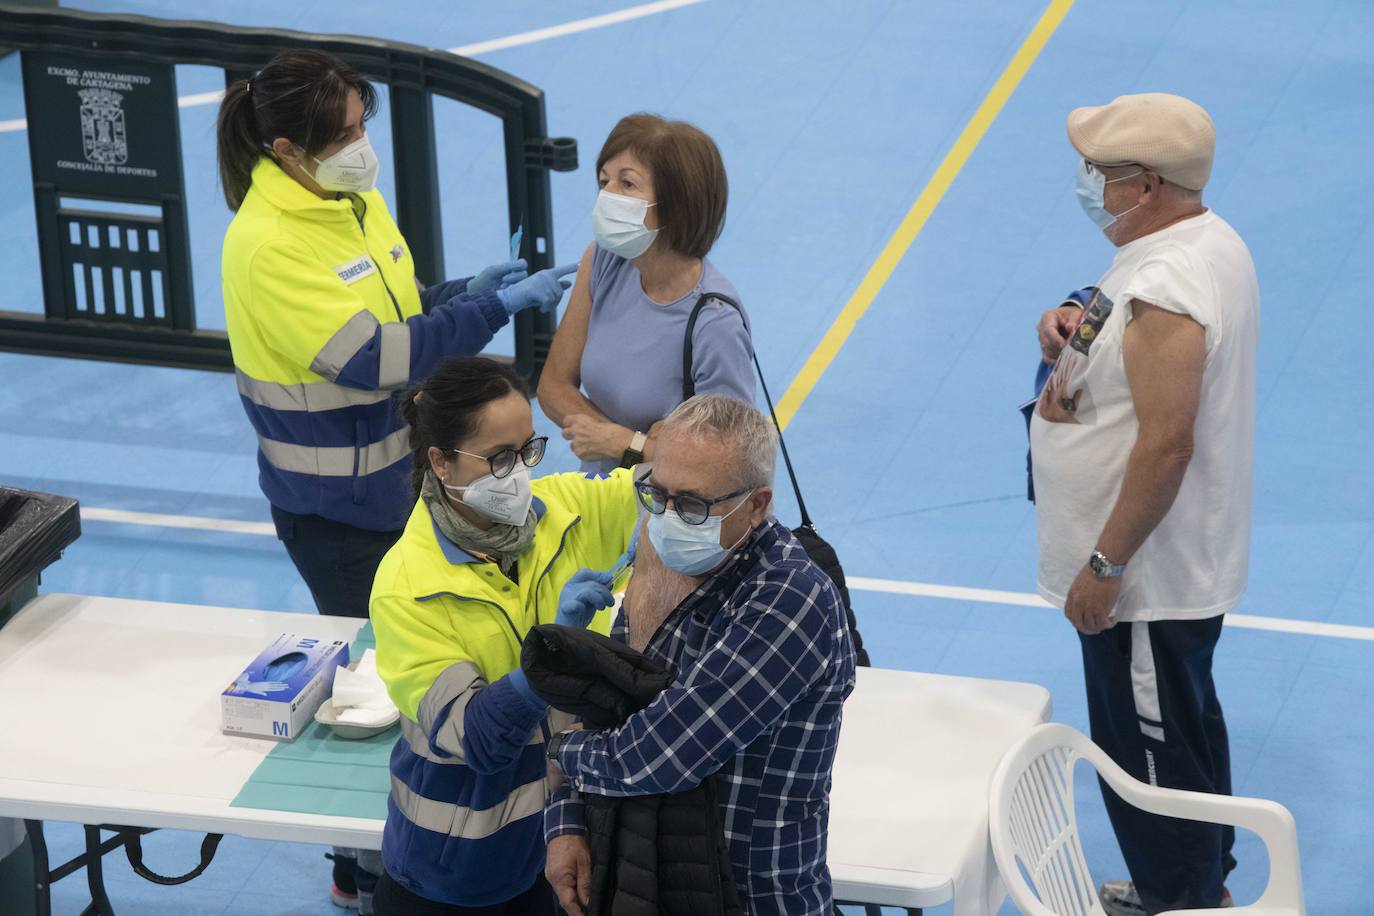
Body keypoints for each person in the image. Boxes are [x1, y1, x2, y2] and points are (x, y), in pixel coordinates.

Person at [216, 49, 574, 908]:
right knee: (385, 688)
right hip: (334, 509)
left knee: (400, 679)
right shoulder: (266, 245)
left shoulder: (351, 203)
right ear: (285, 149)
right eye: (344, 132)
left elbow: (399, 307)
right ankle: (366, 863)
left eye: (362, 124)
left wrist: (460, 290)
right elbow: (377, 356)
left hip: (394, 487)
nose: (361, 143)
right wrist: (492, 310)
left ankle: (372, 853)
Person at [1030, 93, 1258, 915]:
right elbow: (1117, 320)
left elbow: (1167, 444)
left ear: (1149, 184)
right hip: (1156, 572)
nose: (1088, 183)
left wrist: (1104, 566)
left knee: (1153, 758)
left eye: (1102, 173)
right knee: (1185, 726)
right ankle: (1193, 881)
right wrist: (1066, 323)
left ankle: (1185, 902)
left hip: (1141, 581)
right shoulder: (1190, 239)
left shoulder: (1167, 285)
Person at [543, 394, 856, 916]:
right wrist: (565, 824)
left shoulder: (790, 601)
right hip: (646, 882)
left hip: (752, 899)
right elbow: (600, 705)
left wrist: (558, 754)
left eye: (691, 504)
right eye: (657, 494)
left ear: (756, 505)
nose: (667, 517)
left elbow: (661, 753)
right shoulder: (661, 557)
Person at [368, 357, 640, 915]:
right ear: (441, 462)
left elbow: (667, 483)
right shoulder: (408, 586)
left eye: (526, 451)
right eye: (498, 458)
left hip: (557, 848)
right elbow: (479, 739)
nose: (519, 473)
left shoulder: (562, 514)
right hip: (456, 873)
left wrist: (636, 444)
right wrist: (555, 649)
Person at [537, 114, 755, 473]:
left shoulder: (715, 322)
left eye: (627, 184)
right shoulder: (604, 260)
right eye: (604, 181)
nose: (607, 196)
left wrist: (624, 445)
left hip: (672, 515)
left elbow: (730, 460)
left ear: (676, 203)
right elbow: (553, 387)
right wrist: (638, 443)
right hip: (603, 497)